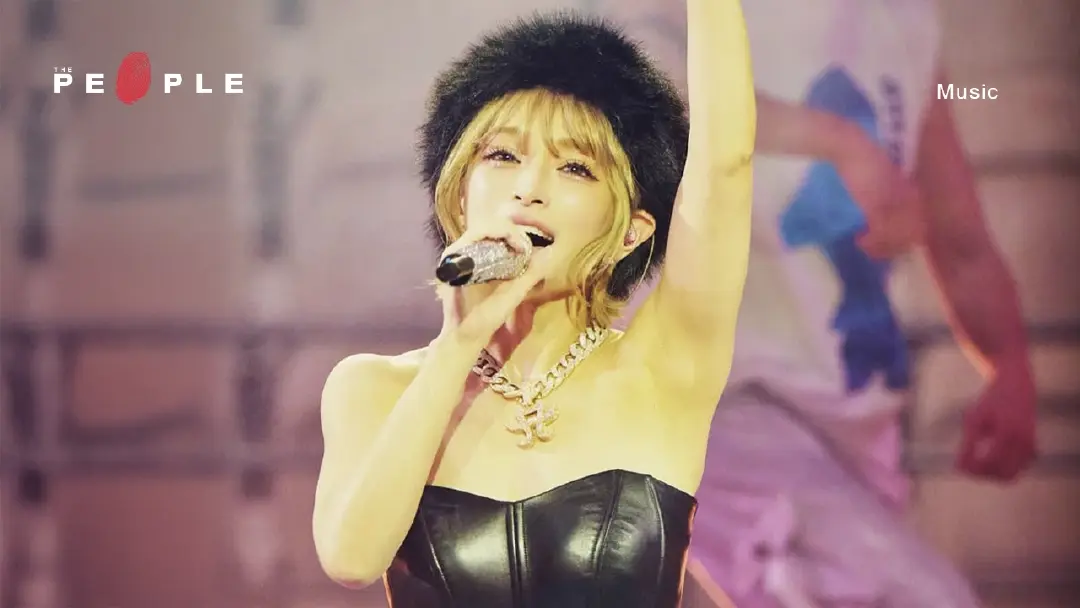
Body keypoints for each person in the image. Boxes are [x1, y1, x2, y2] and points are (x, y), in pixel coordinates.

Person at [311, 3, 753, 607]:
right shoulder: (372, 388)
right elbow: (351, 558)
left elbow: (725, 165)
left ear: (632, 231)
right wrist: (460, 343)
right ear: (459, 197)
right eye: (503, 156)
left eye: (574, 167)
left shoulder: (662, 371)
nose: (529, 188)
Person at [611, 1, 1036, 606]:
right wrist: (841, 143)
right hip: (718, 403)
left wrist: (1010, 367)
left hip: (849, 427)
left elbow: (960, 240)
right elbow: (645, 91)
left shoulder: (905, 24)